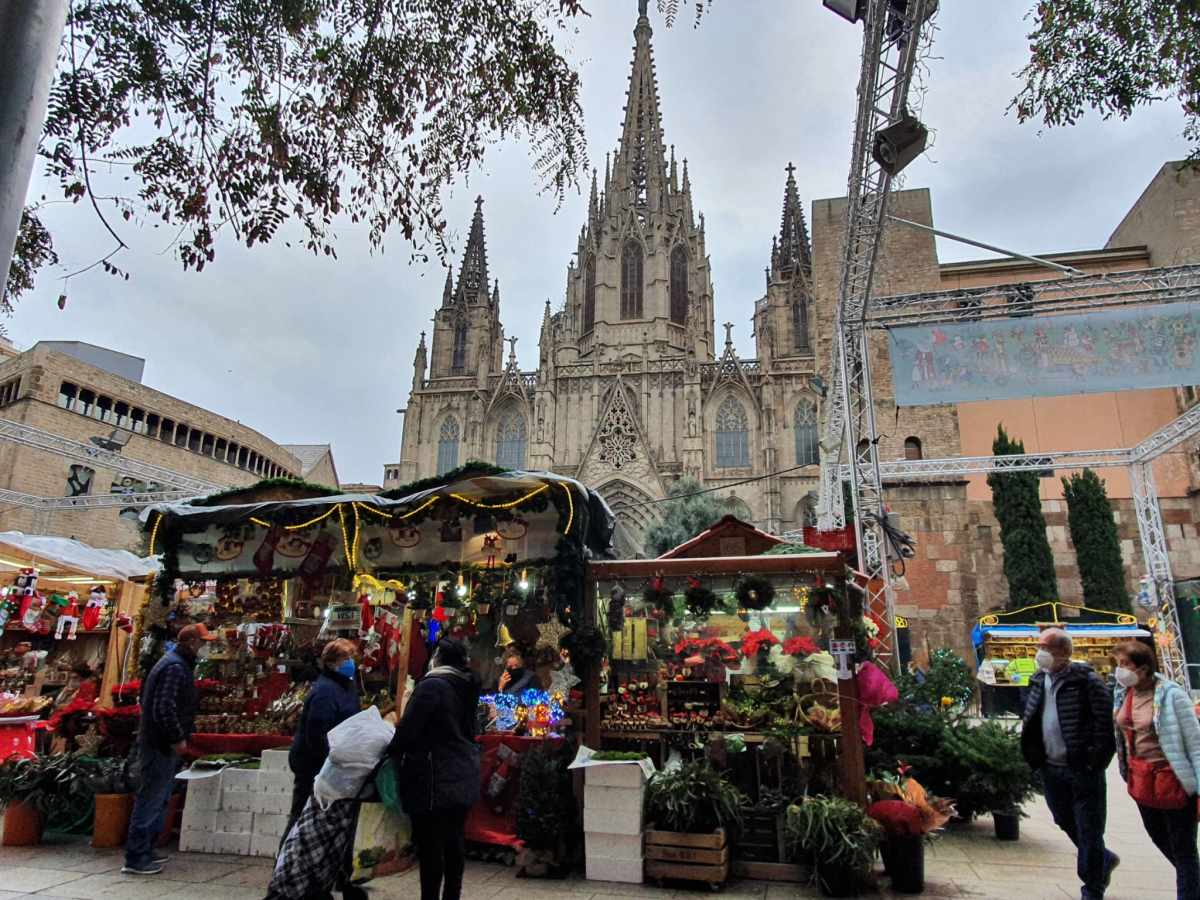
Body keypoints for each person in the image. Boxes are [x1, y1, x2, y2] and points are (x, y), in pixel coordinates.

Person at [1021, 628, 1119, 900]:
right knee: (1063, 818)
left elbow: (1104, 726)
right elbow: (1032, 717)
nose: (1039, 652)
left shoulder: (1086, 681)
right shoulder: (1038, 680)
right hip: (1050, 767)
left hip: (1081, 768)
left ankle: (1092, 888)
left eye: (1045, 647)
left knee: (1089, 829)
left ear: (1063, 652)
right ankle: (1102, 859)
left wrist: (1094, 761)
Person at [388, 639, 481, 900]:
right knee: (454, 841)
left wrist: (391, 746)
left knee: (431, 846)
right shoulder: (465, 685)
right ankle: (452, 895)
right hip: (462, 772)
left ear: (437, 657)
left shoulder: (431, 686)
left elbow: (408, 731)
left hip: (434, 776)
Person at [123, 623, 215, 875]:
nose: (205, 647)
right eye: (203, 642)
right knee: (151, 797)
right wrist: (175, 737)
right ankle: (136, 856)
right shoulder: (174, 667)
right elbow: (164, 707)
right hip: (159, 744)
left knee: (159, 796)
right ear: (192, 643)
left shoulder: (173, 663)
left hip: (158, 741)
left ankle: (146, 849)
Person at [1112, 640, 1200, 900]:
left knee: (1183, 849)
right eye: (1118, 664)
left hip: (1173, 778)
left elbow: (1195, 743)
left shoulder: (1172, 694)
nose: (1120, 670)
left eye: (1125, 664)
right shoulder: (1123, 693)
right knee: (1159, 838)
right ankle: (1194, 883)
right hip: (1141, 778)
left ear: (1143, 666)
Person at [286, 638, 361, 843]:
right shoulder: (325, 692)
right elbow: (316, 734)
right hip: (314, 764)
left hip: (333, 763)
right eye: (346, 658)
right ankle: (285, 863)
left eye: (352, 657)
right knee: (302, 815)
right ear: (330, 663)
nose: (351, 662)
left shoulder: (347, 686)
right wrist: (329, 762)